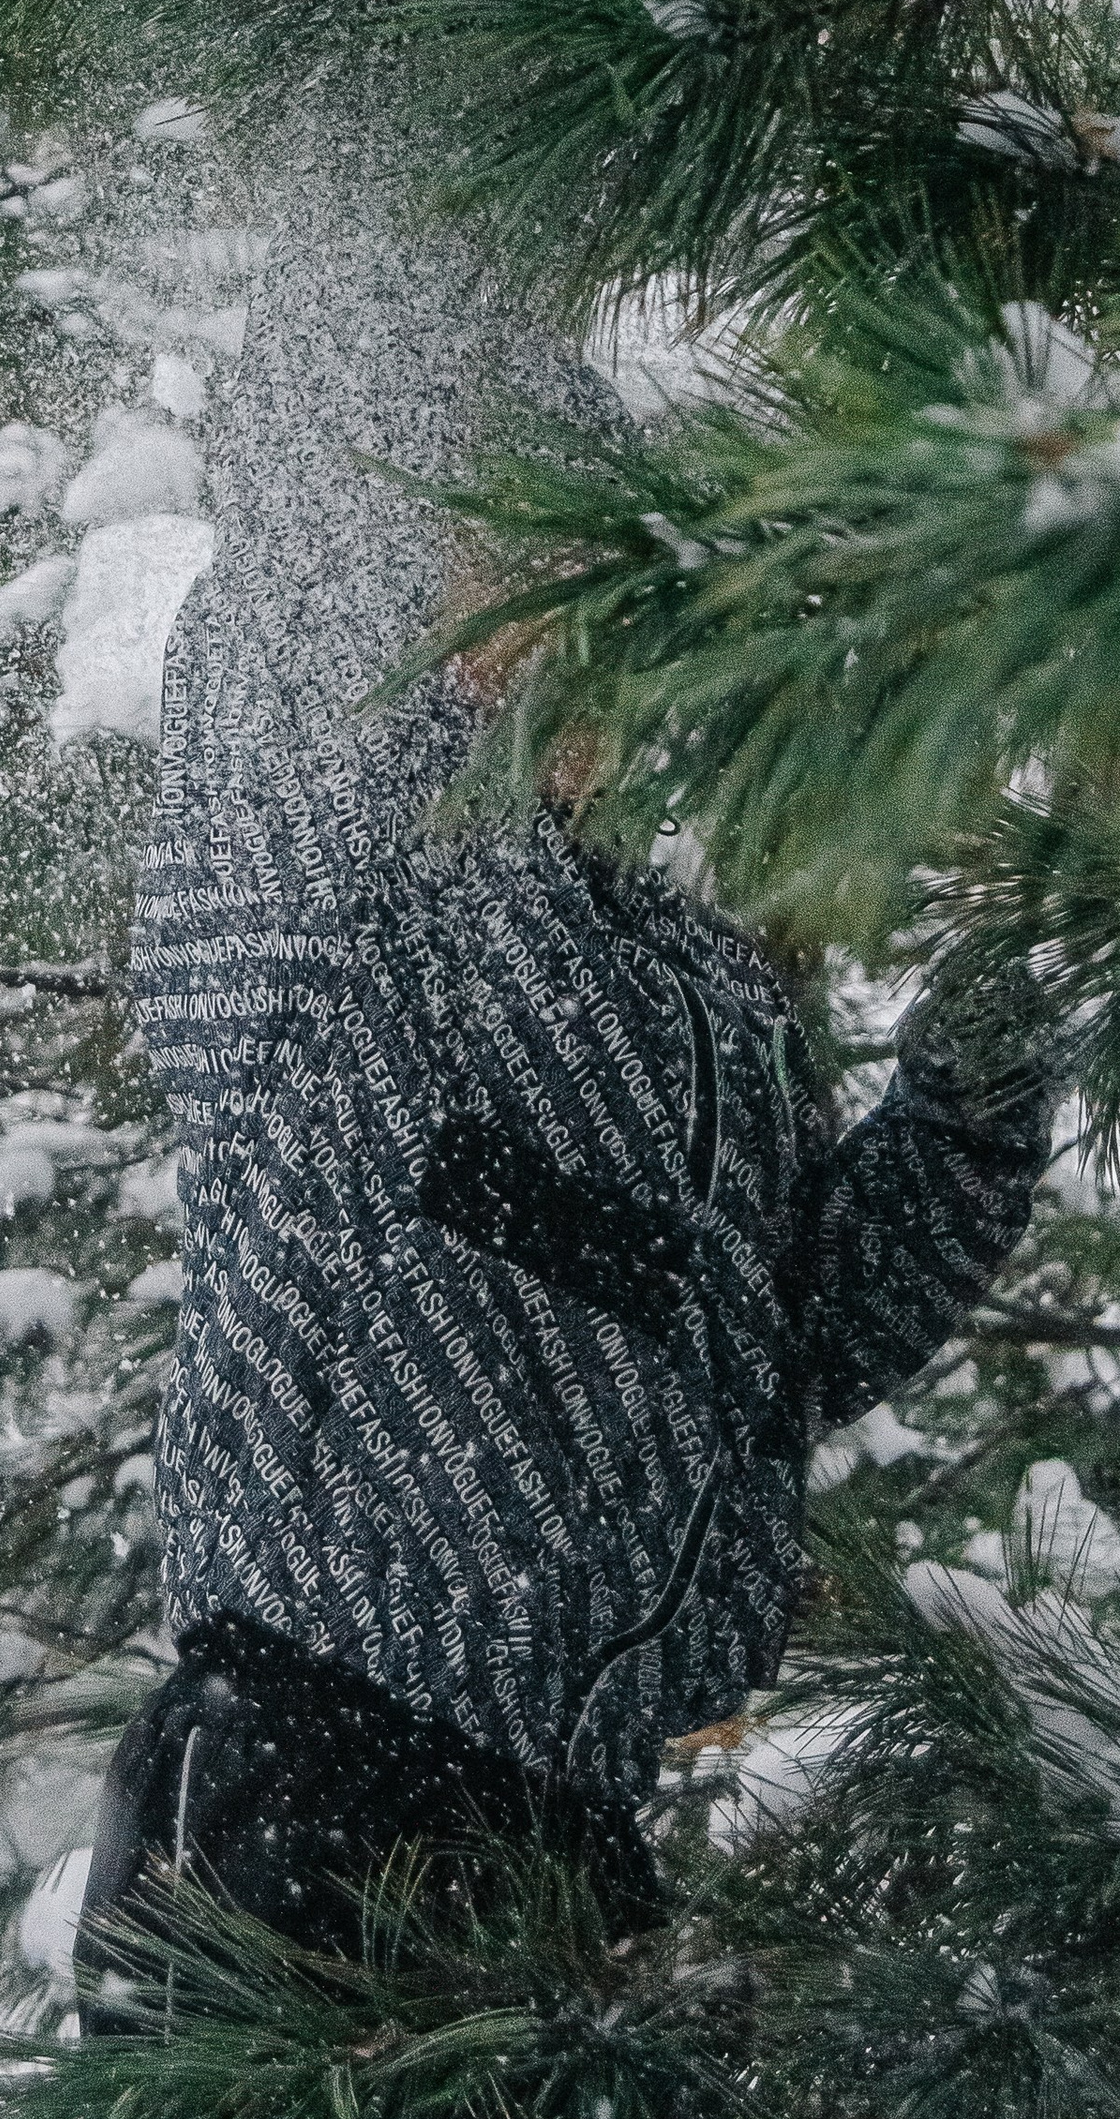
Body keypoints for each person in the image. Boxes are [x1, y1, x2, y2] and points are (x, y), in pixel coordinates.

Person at [77, 117, 1056, 2020]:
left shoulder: (702, 994)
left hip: (581, 1826)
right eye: (530, 571)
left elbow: (805, 1335)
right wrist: (483, 150)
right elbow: (327, 504)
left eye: (621, 610)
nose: (575, 647)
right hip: (313, 1768)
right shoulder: (328, 899)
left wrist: (1037, 973)